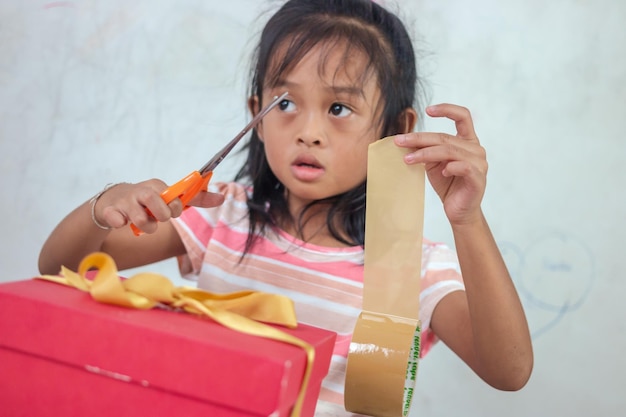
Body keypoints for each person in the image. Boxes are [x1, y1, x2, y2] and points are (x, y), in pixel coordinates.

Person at [39, 0, 533, 415]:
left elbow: (508, 371)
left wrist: (467, 219)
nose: (308, 131)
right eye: (285, 104)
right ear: (257, 115)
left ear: (395, 128)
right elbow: (61, 270)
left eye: (339, 108)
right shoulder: (218, 216)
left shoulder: (413, 268)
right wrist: (102, 206)